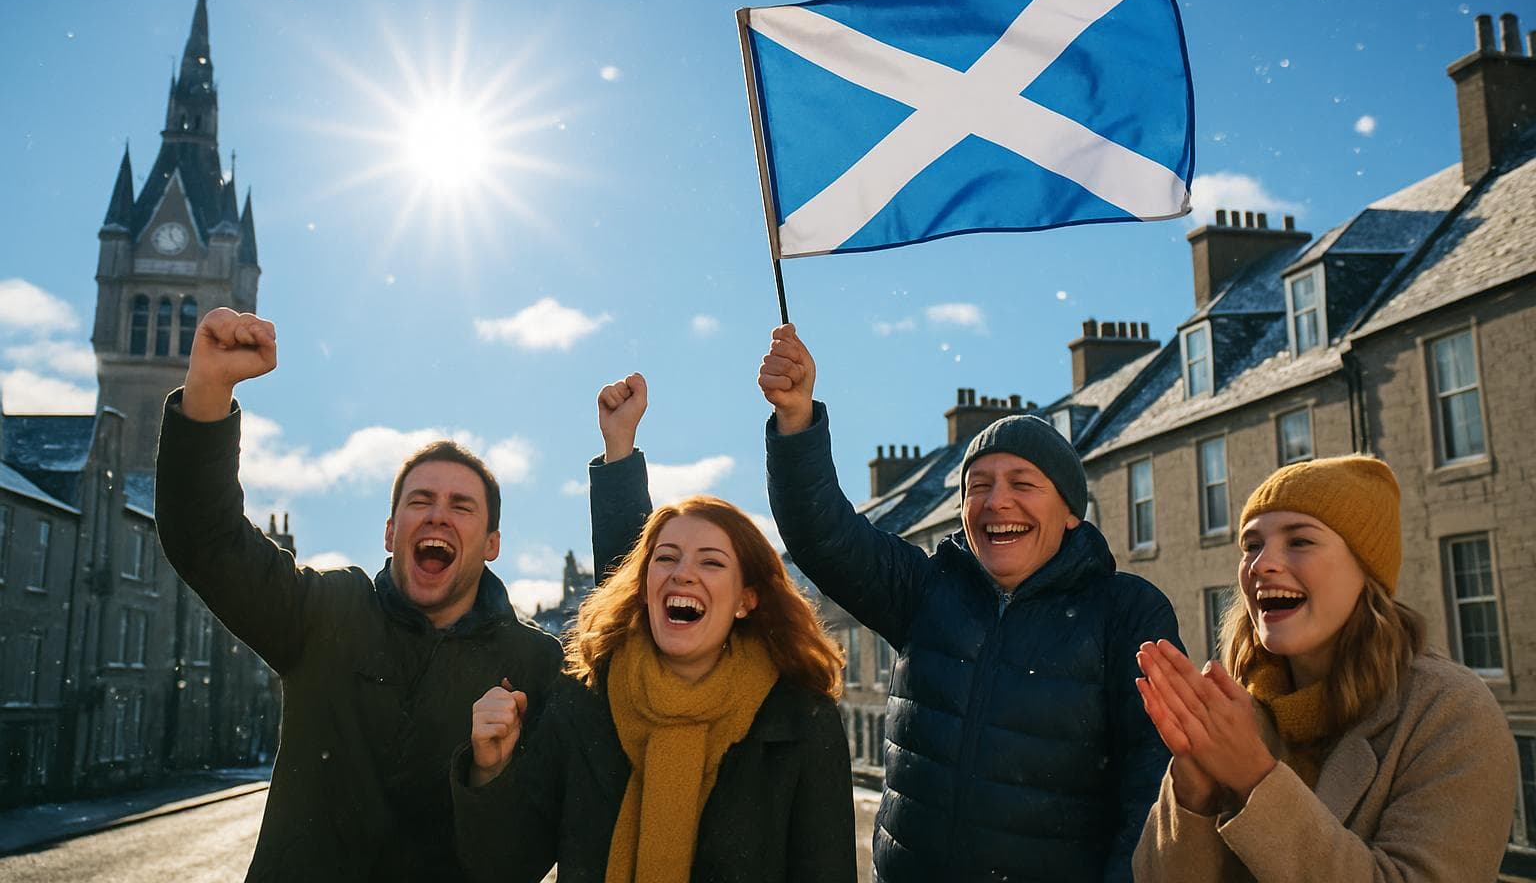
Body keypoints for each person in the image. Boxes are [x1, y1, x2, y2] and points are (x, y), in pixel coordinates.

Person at [756, 324, 1182, 882]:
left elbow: (1153, 785)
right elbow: (822, 535)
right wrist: (796, 421)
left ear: (1072, 511)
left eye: (1023, 483)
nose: (996, 501)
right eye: (978, 486)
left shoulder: (1127, 613)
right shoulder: (924, 590)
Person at [155, 308, 563, 882]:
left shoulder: (536, 668)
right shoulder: (326, 611)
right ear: (391, 532)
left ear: (492, 543)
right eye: (419, 501)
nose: (438, 515)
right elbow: (205, 540)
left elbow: (520, 859)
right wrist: (209, 390)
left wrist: (489, 776)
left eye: (462, 506)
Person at [452, 372, 856, 883]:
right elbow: (504, 865)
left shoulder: (799, 721)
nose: (683, 572)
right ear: (644, 589)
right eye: (666, 558)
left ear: (746, 600)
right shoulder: (585, 704)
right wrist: (489, 769)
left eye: (711, 563)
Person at [1132, 455, 1518, 882]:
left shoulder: (1451, 711)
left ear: (1365, 568)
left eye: (1299, 541)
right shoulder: (1237, 709)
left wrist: (1254, 778)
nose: (1261, 565)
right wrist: (1192, 789)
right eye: (1252, 545)